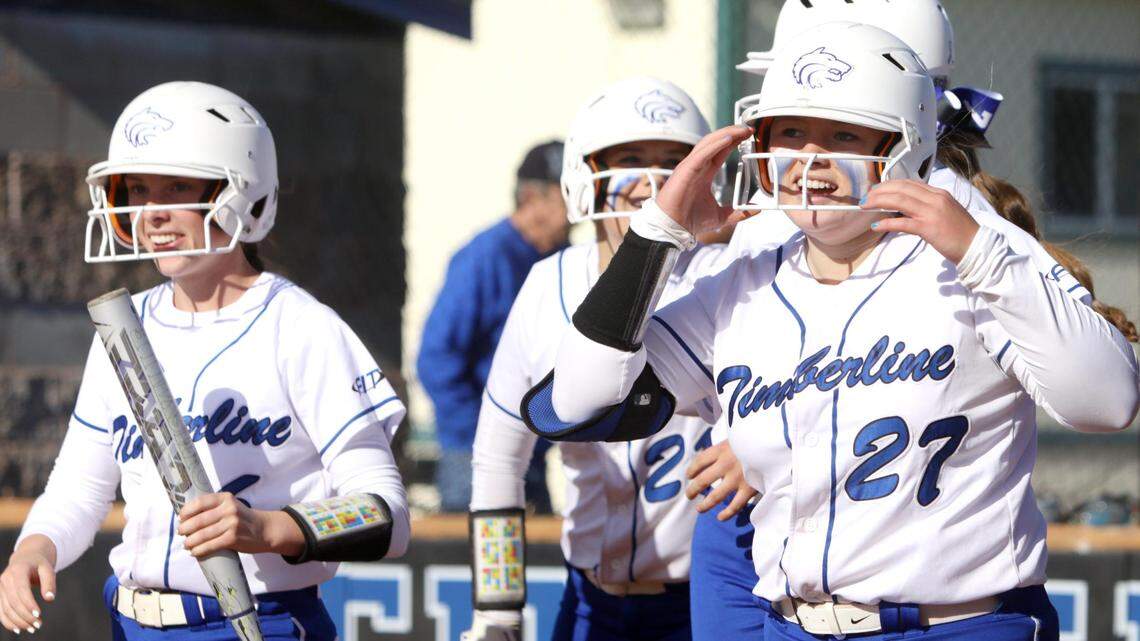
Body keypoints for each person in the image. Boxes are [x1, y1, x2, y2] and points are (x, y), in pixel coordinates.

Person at [524, 23, 1139, 641]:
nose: (810, 162)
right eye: (791, 133)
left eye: (841, 134)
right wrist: (659, 233)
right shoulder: (744, 282)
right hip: (794, 626)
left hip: (961, 624)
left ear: (904, 143)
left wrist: (982, 256)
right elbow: (574, 403)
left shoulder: (966, 259)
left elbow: (1108, 402)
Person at [0, 81, 410, 640]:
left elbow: (386, 514)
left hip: (257, 622)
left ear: (241, 193)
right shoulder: (124, 324)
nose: (153, 213)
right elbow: (79, 488)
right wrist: (34, 548)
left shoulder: (302, 327)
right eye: (138, 189)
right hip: (129, 622)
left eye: (178, 187)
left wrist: (268, 528)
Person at [463, 77, 726, 641]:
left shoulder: (727, 276)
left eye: (673, 162)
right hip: (589, 601)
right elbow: (499, 460)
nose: (653, 181)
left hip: (707, 599)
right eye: (630, 160)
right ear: (585, 178)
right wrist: (497, 610)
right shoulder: (546, 284)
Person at [418, 140, 568, 513]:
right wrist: (482, 435)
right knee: (481, 565)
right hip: (475, 457)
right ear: (533, 197)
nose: (579, 210)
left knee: (534, 564)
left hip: (530, 454)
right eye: (568, 195)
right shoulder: (484, 258)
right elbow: (436, 358)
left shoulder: (559, 259)